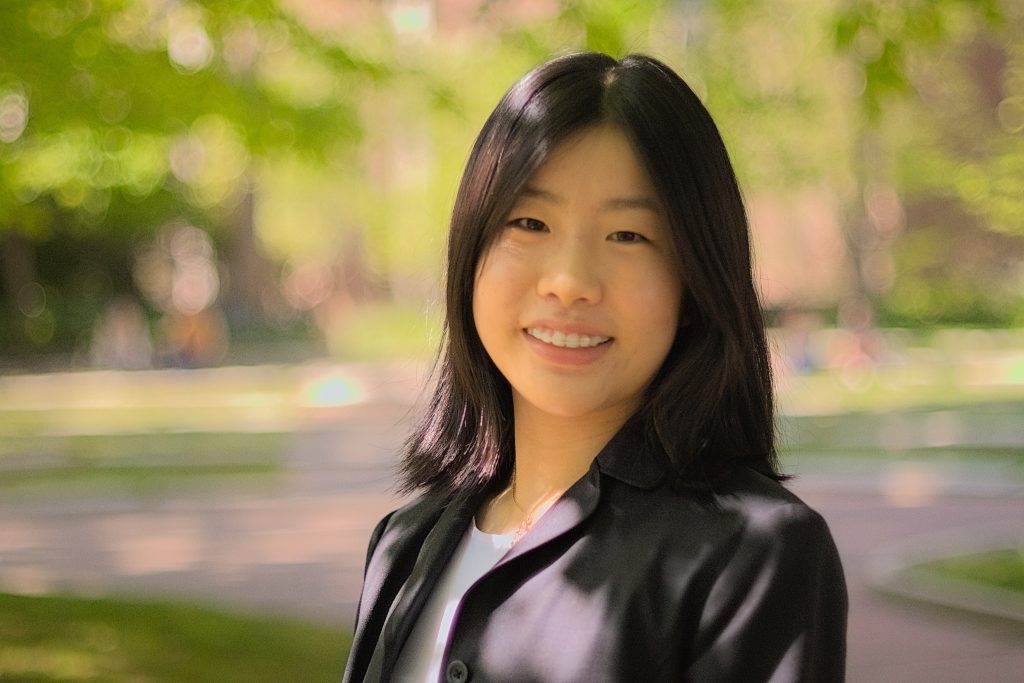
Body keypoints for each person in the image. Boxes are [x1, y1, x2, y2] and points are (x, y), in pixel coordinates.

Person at [342, 52, 847, 683]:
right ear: (471, 255)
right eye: (530, 223)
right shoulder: (403, 545)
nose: (570, 281)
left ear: (695, 281)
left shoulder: (753, 555)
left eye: (628, 235)